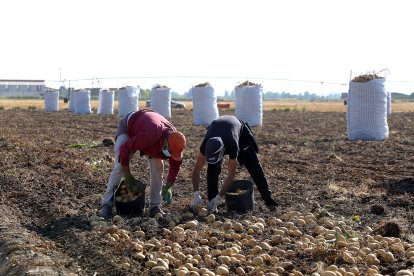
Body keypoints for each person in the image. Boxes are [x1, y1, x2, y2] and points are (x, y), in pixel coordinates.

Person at [99, 109, 186, 218]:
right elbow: (124, 150)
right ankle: (106, 204)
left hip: (149, 136)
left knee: (158, 167)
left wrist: (168, 186)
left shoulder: (175, 142)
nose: (170, 154)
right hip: (130, 127)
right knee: (120, 165)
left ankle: (155, 206)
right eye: (170, 151)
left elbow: (175, 166)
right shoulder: (150, 134)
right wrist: (128, 175)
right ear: (165, 142)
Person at [191, 115, 278, 213]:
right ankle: (212, 202)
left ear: (223, 150)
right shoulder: (205, 146)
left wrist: (219, 197)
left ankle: (270, 203)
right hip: (220, 132)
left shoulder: (232, 145)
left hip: (240, 135)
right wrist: (196, 194)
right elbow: (196, 170)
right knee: (212, 169)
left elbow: (230, 175)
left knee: (254, 168)